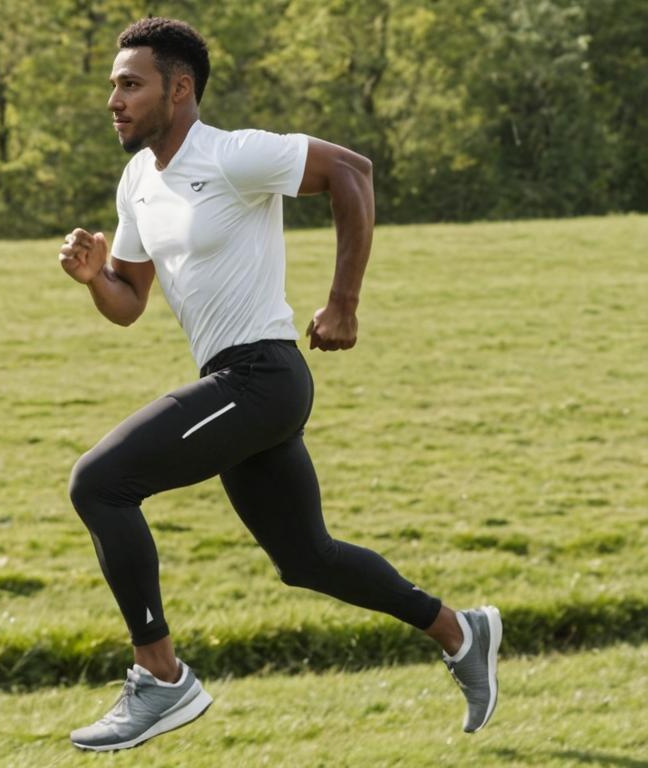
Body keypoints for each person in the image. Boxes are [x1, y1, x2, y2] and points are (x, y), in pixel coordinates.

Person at [58, 17, 501, 753]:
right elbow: (129, 303)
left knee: (99, 483)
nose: (115, 99)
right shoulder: (139, 181)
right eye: (113, 86)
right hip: (235, 385)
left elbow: (352, 171)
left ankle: (161, 678)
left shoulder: (234, 154)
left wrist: (344, 301)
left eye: (130, 84)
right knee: (307, 559)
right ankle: (460, 630)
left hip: (262, 375)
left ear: (180, 89)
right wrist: (93, 277)